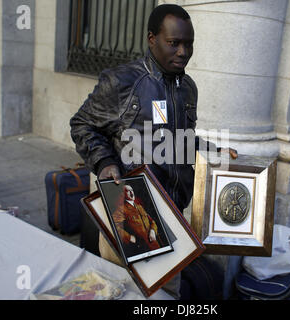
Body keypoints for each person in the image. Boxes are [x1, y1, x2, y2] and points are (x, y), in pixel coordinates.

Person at [70, 4, 237, 298]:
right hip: (129, 210)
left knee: (165, 293)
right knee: (119, 290)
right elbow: (83, 124)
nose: (183, 52)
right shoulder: (122, 82)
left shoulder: (188, 88)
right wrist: (106, 162)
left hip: (173, 215)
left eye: (189, 44)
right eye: (174, 43)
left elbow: (181, 138)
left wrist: (214, 149)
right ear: (152, 39)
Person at [112, 185, 161, 257]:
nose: (131, 193)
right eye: (128, 191)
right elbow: (113, 226)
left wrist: (153, 230)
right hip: (141, 249)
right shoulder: (122, 209)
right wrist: (128, 237)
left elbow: (152, 221)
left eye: (132, 190)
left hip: (155, 245)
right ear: (123, 194)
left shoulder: (139, 206)